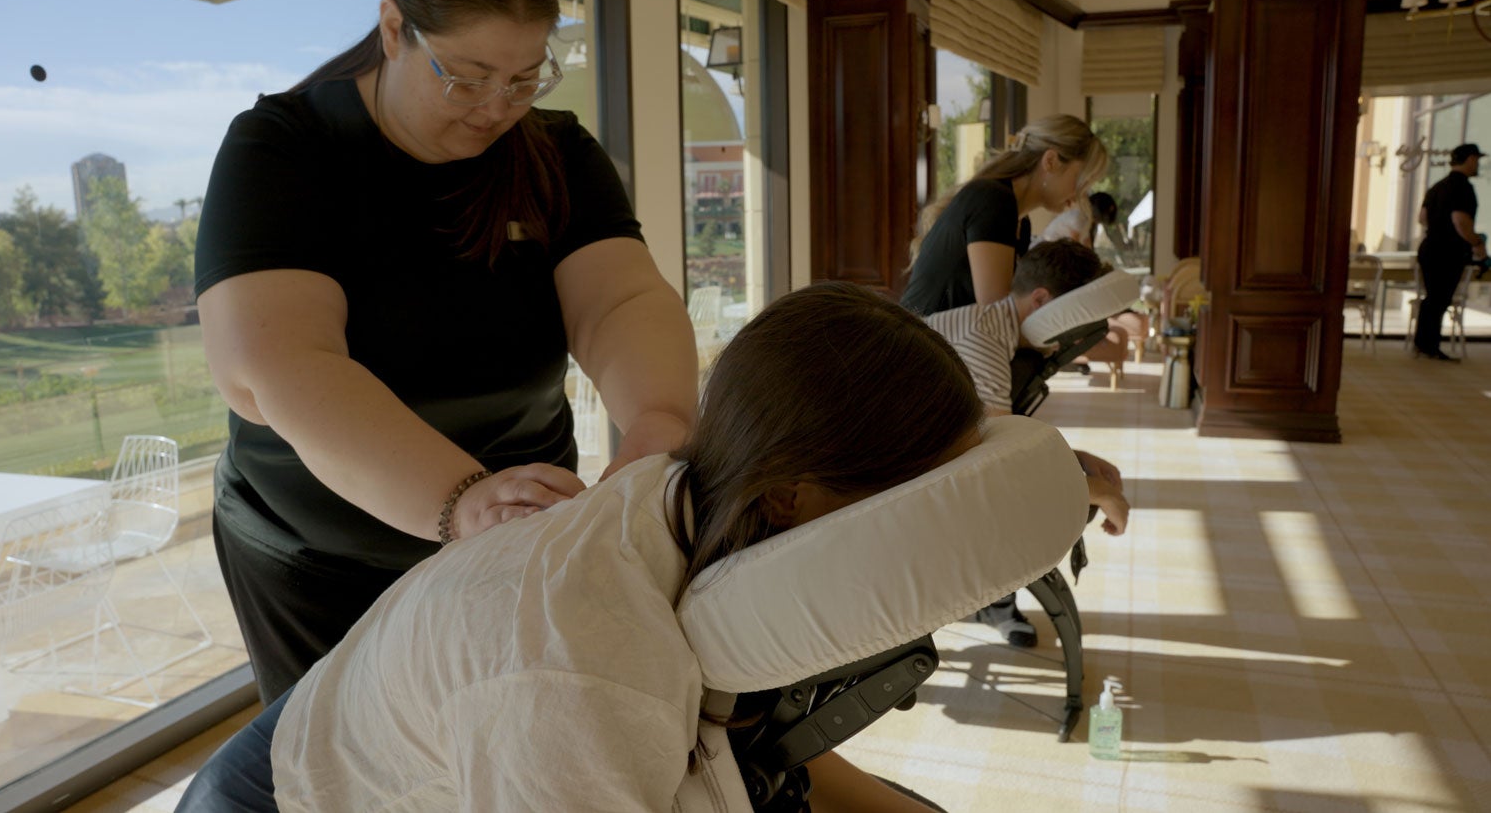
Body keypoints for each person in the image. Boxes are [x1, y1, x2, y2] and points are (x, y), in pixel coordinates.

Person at [177, 282, 990, 813]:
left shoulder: (702, 506)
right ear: (794, 491)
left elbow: (758, 747)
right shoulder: (585, 666)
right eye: (909, 501)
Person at [194, 0, 698, 705]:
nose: (498, 108)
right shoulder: (283, 151)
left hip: (520, 533)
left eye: (527, 77)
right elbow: (280, 367)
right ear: (395, 30)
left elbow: (620, 301)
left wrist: (658, 423)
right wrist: (459, 501)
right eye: (467, 77)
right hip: (324, 552)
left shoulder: (556, 154)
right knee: (354, 764)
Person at [923, 239, 1130, 648]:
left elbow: (1003, 437)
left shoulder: (993, 329)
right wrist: (1099, 491)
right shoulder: (983, 340)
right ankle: (991, 599)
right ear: (1042, 301)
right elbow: (999, 461)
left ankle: (995, 602)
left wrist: (1078, 459)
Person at [900, 114, 1109, 315]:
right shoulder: (994, 201)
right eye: (1080, 180)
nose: (1081, 195)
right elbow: (995, 313)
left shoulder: (1019, 221)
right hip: (919, 345)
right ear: (1051, 161)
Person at [1413, 143, 1485, 362]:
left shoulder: (1437, 186)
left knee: (1432, 298)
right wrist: (1478, 244)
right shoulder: (1462, 187)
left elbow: (1422, 217)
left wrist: (1436, 230)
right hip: (1448, 251)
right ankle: (1430, 345)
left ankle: (1423, 343)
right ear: (1470, 159)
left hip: (1429, 247)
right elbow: (1460, 220)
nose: (1478, 164)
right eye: (1476, 160)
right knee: (1440, 298)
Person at [1039, 190, 1119, 249]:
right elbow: (1075, 247)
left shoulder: (1086, 220)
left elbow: (1086, 244)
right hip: (1046, 250)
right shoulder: (1078, 218)